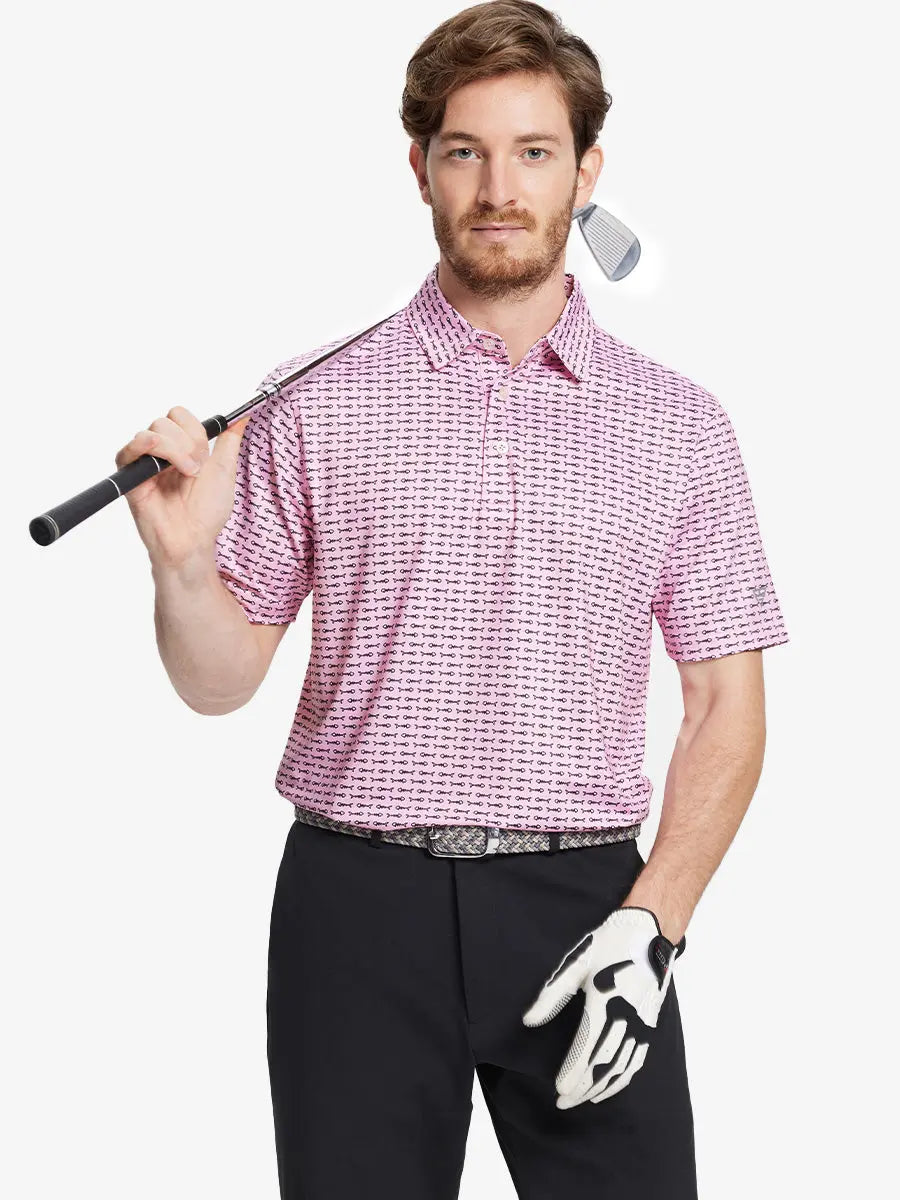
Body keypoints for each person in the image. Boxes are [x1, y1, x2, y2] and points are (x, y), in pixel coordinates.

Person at [115, 3, 789, 1196]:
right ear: (420, 166)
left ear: (586, 172)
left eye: (534, 151)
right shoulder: (313, 399)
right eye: (466, 151)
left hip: (588, 905)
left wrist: (656, 924)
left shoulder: (678, 426)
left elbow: (725, 703)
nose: (499, 189)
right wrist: (180, 564)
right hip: (355, 909)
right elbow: (218, 683)